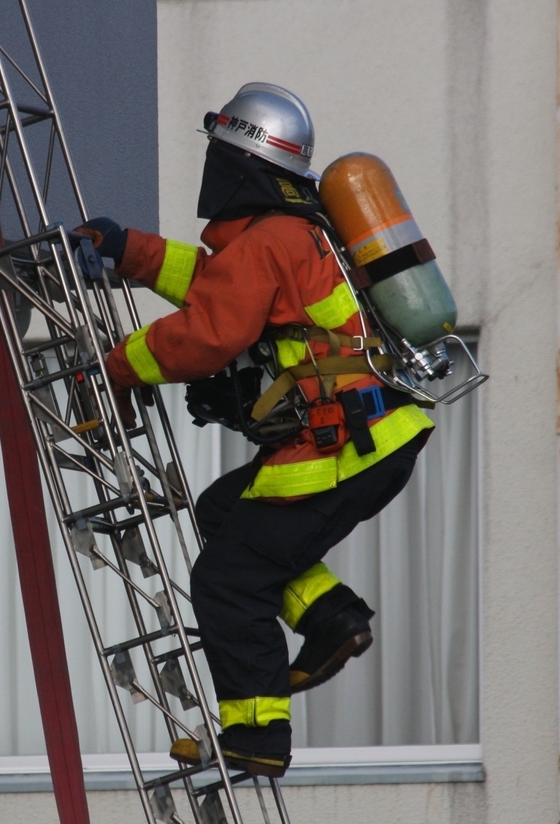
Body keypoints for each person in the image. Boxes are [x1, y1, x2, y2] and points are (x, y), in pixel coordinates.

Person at [74, 83, 434, 778]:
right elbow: (218, 286)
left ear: (238, 159)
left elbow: (210, 332)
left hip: (340, 448)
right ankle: (331, 619)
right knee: (222, 511)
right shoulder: (295, 231)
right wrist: (131, 251)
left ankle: (256, 737)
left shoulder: (271, 239)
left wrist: (119, 367)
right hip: (371, 438)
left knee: (227, 582)